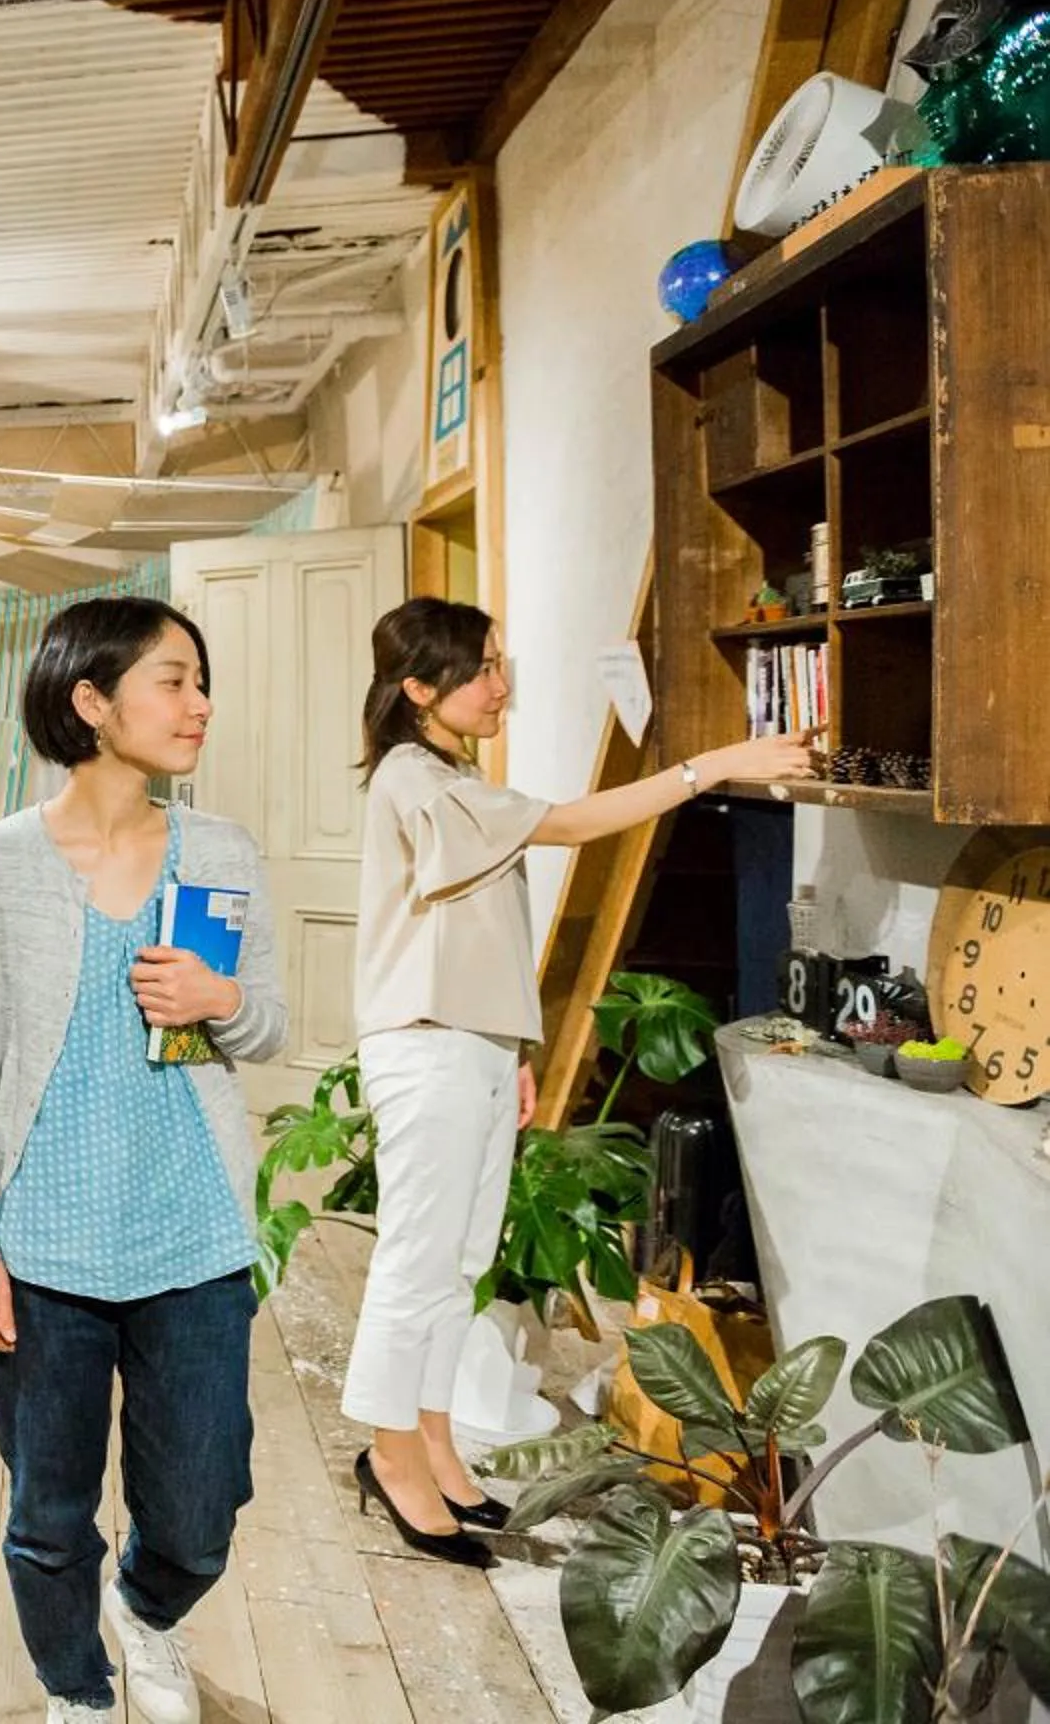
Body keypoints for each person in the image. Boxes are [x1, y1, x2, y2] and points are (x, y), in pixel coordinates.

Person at [343, 596, 814, 1566]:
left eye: (499, 663)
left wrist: (512, 1050)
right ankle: (391, 1454)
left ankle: (432, 1441)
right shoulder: (414, 776)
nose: (500, 686)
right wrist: (712, 766)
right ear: (419, 688)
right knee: (418, 1262)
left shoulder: (452, 775)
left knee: (458, 1263)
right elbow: (568, 824)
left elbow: (475, 933)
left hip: (469, 1047)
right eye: (481, 669)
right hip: (428, 1049)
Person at [0, 597, 288, 1724]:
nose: (201, 704)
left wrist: (220, 1000)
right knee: (48, 1513)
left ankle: (145, 1606)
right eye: (174, 681)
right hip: (44, 1242)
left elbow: (269, 1027)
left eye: (201, 681)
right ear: (91, 700)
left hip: (193, 1229)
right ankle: (77, 1688)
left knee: (201, 1507)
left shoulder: (221, 851)